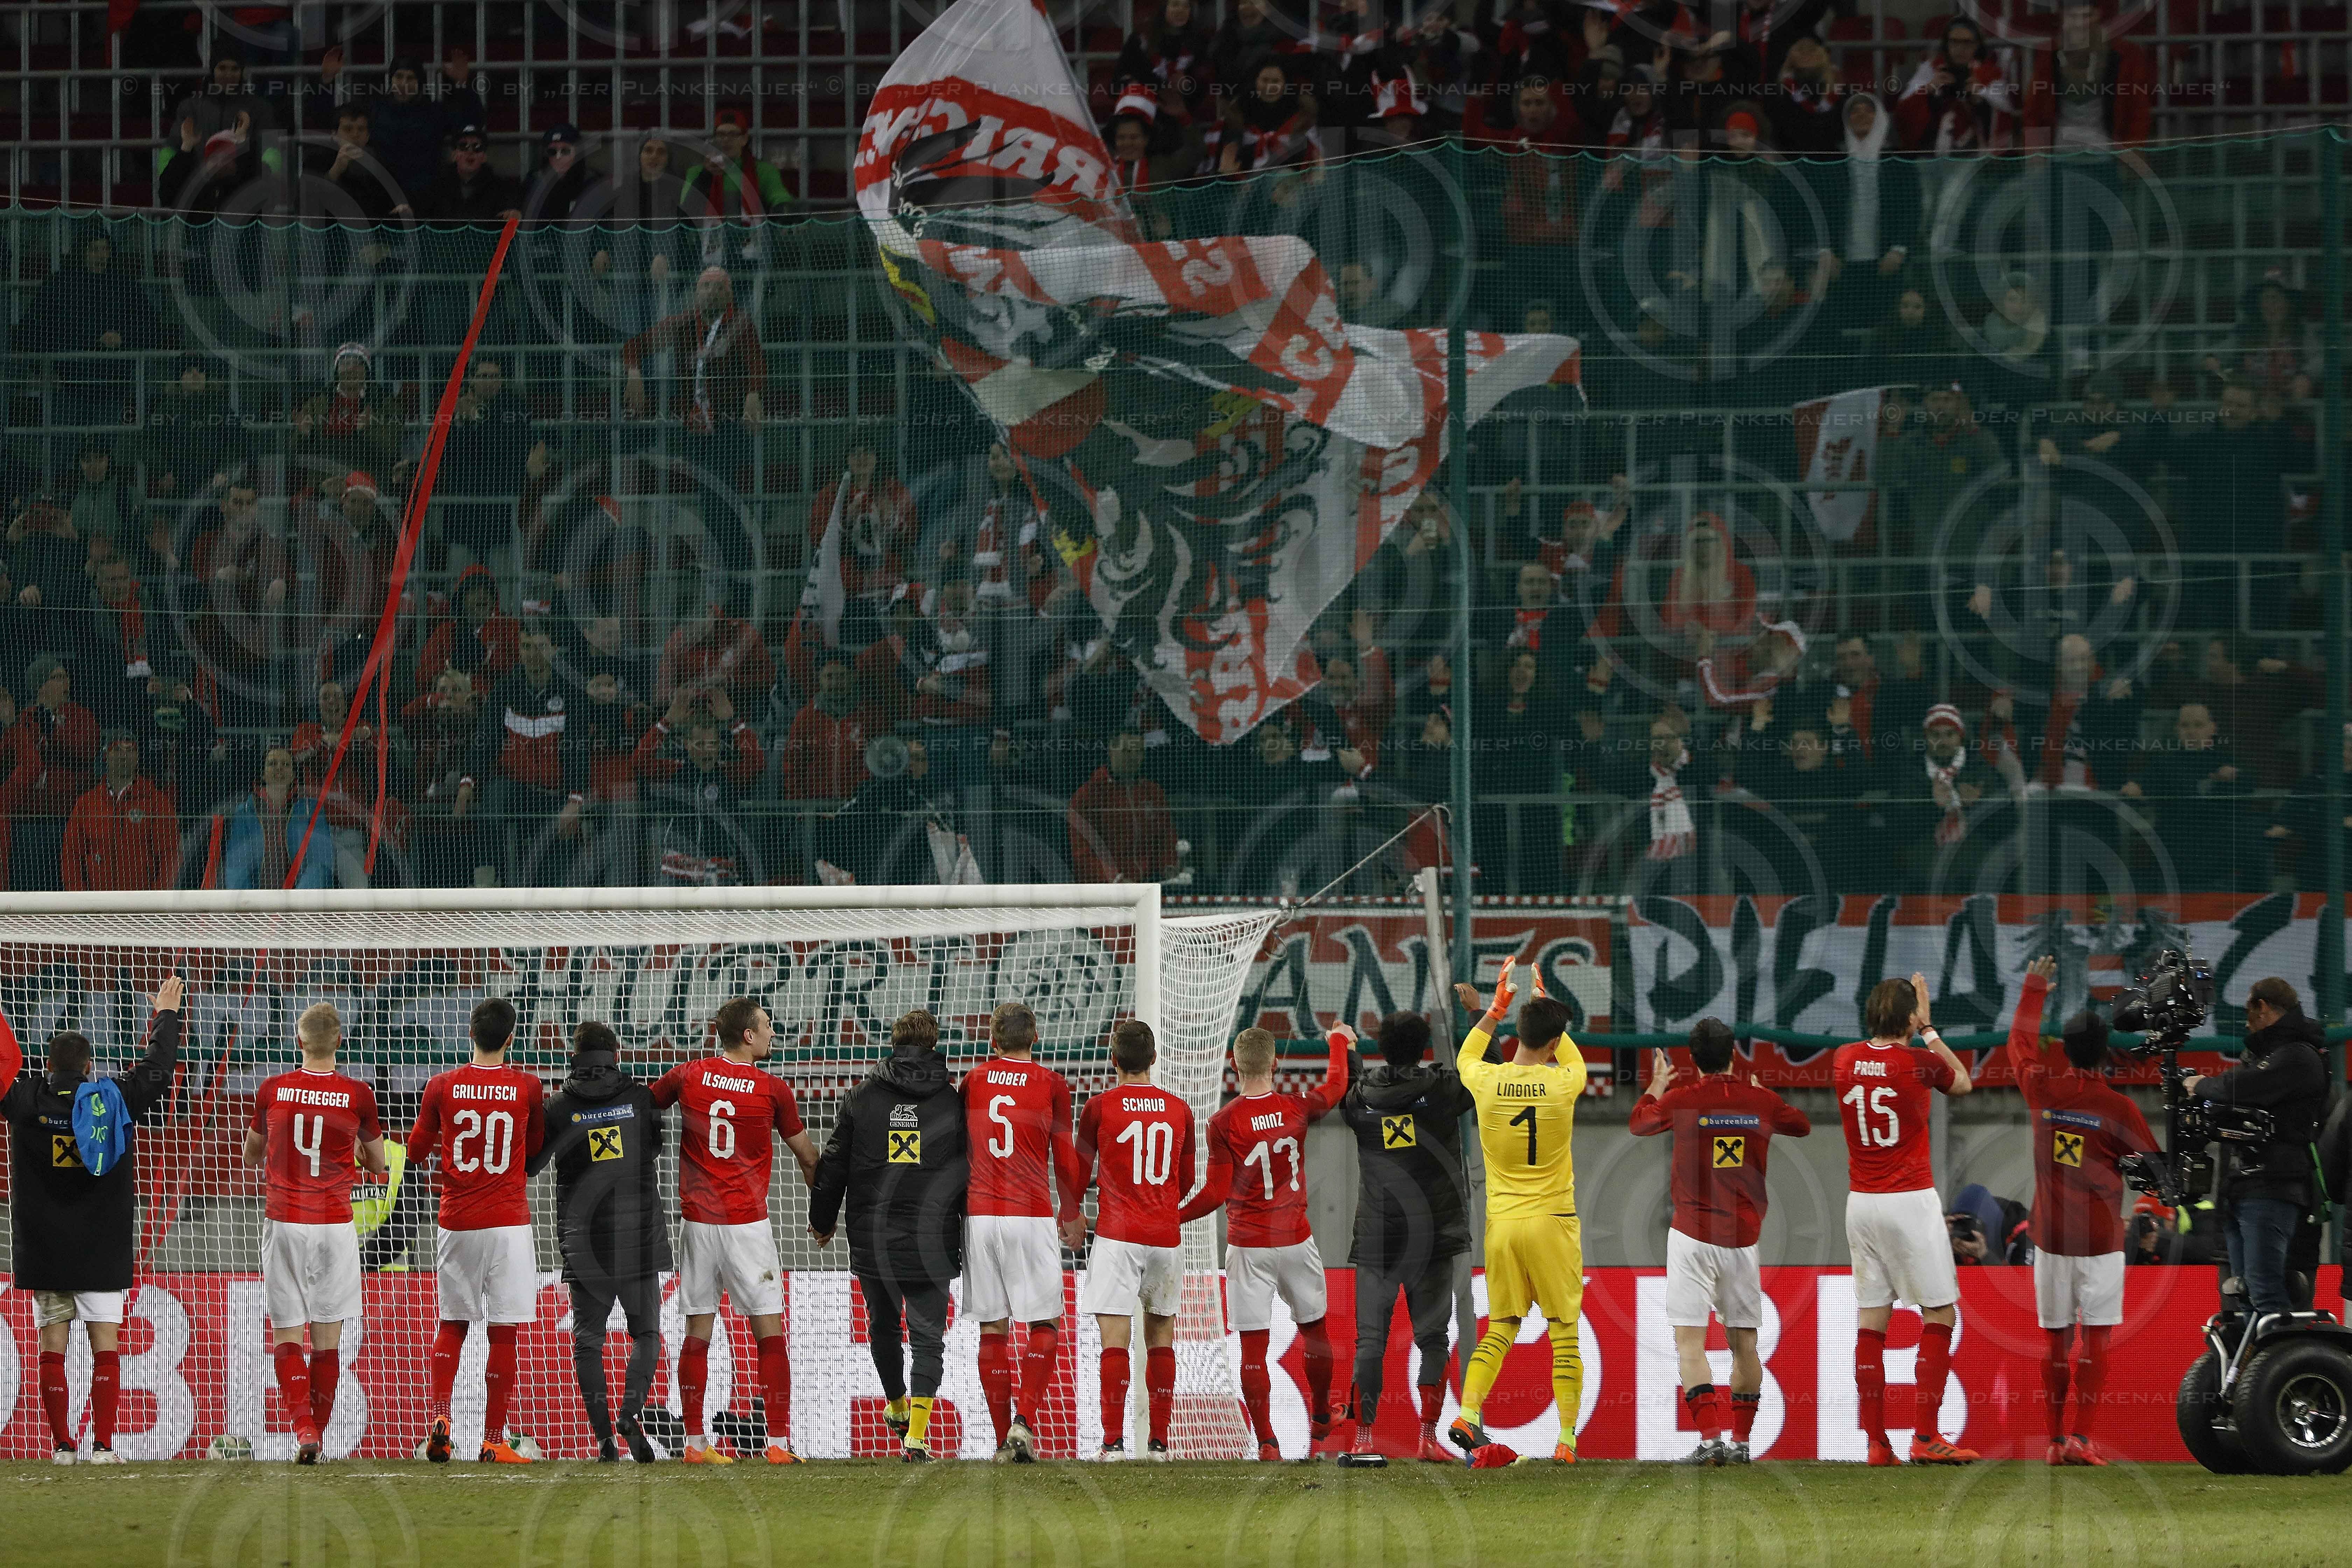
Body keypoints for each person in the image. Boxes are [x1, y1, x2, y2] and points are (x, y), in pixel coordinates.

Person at [1986, 956, 2157, 1467]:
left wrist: (2034, 990)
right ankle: (2083, 1439)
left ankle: (2055, 1442)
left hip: (2051, 1239)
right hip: (2102, 1241)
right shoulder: (2120, 1109)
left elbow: (2017, 1045)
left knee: (2056, 1341)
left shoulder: (2043, 1088)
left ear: (2064, 1048)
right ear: (2107, 1054)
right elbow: (2150, 1168)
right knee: (2097, 1338)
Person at [4, 975, 183, 1462]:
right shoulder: (112, 1099)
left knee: (52, 1347)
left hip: (44, 1246)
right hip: (101, 1243)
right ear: (89, 1068)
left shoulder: (24, 1101)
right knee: (106, 1345)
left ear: (46, 1065)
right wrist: (166, 1013)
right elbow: (158, 1070)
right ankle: (103, 1445)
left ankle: (63, 1445)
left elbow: (1, 1070)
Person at [1629, 1017, 1812, 1466]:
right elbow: (1803, 1126)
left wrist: (1655, 1086)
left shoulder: (1684, 1100)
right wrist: (1760, 1101)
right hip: (1742, 1241)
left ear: (1692, 1059)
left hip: (1691, 1236)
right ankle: (1742, 1443)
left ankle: (1711, 1441)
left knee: (1690, 1343)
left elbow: (1639, 1124)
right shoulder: (1759, 1101)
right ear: (1735, 1053)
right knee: (1744, 1344)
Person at [650, 997, 820, 1462]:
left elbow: (643, 1108)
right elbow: (808, 1157)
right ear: (748, 1035)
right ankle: (779, 1444)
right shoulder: (771, 1090)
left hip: (699, 1225)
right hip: (747, 1225)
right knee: (768, 1331)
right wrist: (822, 1217)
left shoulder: (687, 1076)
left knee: (698, 1330)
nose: (771, 1033)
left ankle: (693, 1442)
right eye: (766, 1026)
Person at [1177, 1024, 1351, 1461]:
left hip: (1248, 1246)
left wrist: (1173, 1215)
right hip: (1295, 1239)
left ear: (1234, 1065)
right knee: (1315, 1330)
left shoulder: (1222, 1122)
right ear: (1275, 1063)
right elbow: (1336, 1085)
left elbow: (1215, 1194)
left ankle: (1267, 1442)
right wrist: (1337, 1039)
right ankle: (1320, 1415)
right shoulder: (1296, 1106)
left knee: (1254, 1346)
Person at [808, 1008, 969, 1462]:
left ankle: (896, 1407)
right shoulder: (951, 1101)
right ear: (934, 1043)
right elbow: (966, 1172)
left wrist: (823, 1221)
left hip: (873, 1235)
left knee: (882, 1325)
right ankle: (916, 1436)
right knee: (927, 1337)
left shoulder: (862, 1097)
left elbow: (833, 1164)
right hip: (932, 1237)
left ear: (894, 1042)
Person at [1444, 959, 1587, 1465]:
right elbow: (1570, 1057)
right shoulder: (1565, 1083)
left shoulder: (1484, 1079)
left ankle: (1467, 1412)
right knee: (1563, 1332)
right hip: (1552, 1224)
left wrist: (1496, 1010)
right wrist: (1543, 1001)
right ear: (1553, 1044)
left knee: (1502, 1326)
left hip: (1502, 1225)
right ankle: (1567, 1441)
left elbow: (1466, 1056)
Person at [1833, 973, 1978, 1465]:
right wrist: (1931, 1029)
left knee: (1873, 1320)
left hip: (1861, 1204)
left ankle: (1876, 1443)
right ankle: (1925, 1435)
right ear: (1910, 1019)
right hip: (1908, 1200)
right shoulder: (1918, 1064)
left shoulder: (1843, 1060)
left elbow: (1873, 1064)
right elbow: (1962, 1082)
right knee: (1940, 1313)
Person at [404, 997, 548, 1464]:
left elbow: (415, 1149)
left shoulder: (442, 1086)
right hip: (508, 1222)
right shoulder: (528, 1086)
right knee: (503, 1333)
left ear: (470, 1033)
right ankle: (492, 1440)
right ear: (511, 1038)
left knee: (453, 1324)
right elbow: (536, 1150)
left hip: (457, 1221)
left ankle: (440, 1420)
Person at [244, 1002, 389, 1464]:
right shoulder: (358, 1094)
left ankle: (304, 1430)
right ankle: (316, 1439)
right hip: (333, 1226)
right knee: (328, 1341)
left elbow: (251, 1154)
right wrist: (358, 1160)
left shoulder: (273, 1089)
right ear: (340, 1041)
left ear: (298, 1041)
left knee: (287, 1335)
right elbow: (379, 1164)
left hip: (285, 1221)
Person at [1333, 1011, 1475, 1466]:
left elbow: (1348, 1084)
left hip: (1378, 1238)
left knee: (1369, 1342)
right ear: (1425, 1047)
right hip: (1431, 1239)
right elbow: (1483, 1074)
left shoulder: (1361, 1098)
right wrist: (1479, 1020)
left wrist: (1347, 1048)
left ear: (1383, 1048)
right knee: (1433, 1340)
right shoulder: (1443, 1091)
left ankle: (1363, 1440)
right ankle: (1428, 1439)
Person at [526, 1021, 670, 1463]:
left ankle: (606, 1441)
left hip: (585, 1241)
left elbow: (532, 1165)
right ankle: (631, 1412)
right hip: (637, 1237)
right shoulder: (640, 1098)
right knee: (645, 1332)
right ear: (617, 1053)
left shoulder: (558, 1106)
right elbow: (653, 1150)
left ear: (574, 1055)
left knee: (589, 1341)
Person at [961, 1000, 1086, 1462]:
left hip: (981, 1216)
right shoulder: (1053, 1084)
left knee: (993, 1329)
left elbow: (959, 1148)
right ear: (1035, 1039)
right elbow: (1065, 1155)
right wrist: (1071, 1212)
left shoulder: (972, 1081)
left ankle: (1002, 1443)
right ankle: (1024, 1423)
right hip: (1031, 1214)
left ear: (993, 1041)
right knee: (1045, 1322)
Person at [1075, 1018, 1197, 1460]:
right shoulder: (1180, 1110)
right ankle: (1160, 1443)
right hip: (1166, 1236)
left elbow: (1078, 1171)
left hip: (1117, 1235)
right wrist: (1160, 1206)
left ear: (1114, 1061)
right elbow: (1186, 1180)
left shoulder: (1099, 1107)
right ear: (1154, 1060)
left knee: (1115, 1339)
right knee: (1161, 1336)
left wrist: (1075, 1211)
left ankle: (1112, 1443)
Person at [2183, 978, 2330, 1318]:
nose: (2245, 1021)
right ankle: (2258, 1369)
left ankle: (2276, 1368)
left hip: (2271, 1188)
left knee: (2264, 1291)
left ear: (2263, 1007)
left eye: (2248, 1010)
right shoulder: (2274, 1057)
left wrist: (2201, 1084)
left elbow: (2241, 1086)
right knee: (2247, 1293)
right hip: (2245, 1188)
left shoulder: (2298, 1057)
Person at [62, 730, 178, 891]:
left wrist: (156, 903)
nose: (124, 757)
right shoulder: (87, 804)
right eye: (117, 750)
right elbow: (71, 856)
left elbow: (169, 857)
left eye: (130, 751)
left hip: (142, 908)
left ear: (138, 756)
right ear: (106, 755)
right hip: (97, 907)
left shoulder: (157, 802)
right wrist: (80, 901)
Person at [1067, 729, 1177, 884]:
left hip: (1150, 884)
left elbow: (1166, 836)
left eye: (1138, 751)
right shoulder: (1088, 795)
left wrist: (1168, 865)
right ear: (1112, 750)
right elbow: (1082, 853)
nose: (1133, 756)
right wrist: (1116, 879)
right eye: (1126, 750)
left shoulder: (1153, 792)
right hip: (1105, 890)